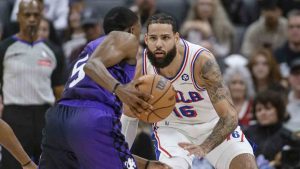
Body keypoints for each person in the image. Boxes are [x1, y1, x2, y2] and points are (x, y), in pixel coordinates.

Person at [38, 7, 171, 169]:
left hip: (58, 119)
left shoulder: (90, 47)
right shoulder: (126, 38)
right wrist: (120, 89)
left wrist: (147, 164)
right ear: (132, 29)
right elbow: (92, 66)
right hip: (92, 117)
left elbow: (99, 147)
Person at [121, 13, 257, 169]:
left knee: (246, 165)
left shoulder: (201, 61)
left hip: (212, 125)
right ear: (146, 40)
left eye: (165, 38)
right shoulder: (142, 69)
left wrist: (205, 147)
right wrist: (117, 154)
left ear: (176, 38)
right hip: (172, 128)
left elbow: (230, 116)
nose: (158, 44)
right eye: (153, 38)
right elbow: (129, 116)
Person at [0, 0, 66, 168]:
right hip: (14, 116)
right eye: (27, 14)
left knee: (49, 164)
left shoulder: (54, 50)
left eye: (35, 15)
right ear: (18, 17)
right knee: (12, 164)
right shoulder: (5, 48)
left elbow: (60, 91)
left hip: (45, 115)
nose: (31, 19)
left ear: (41, 17)